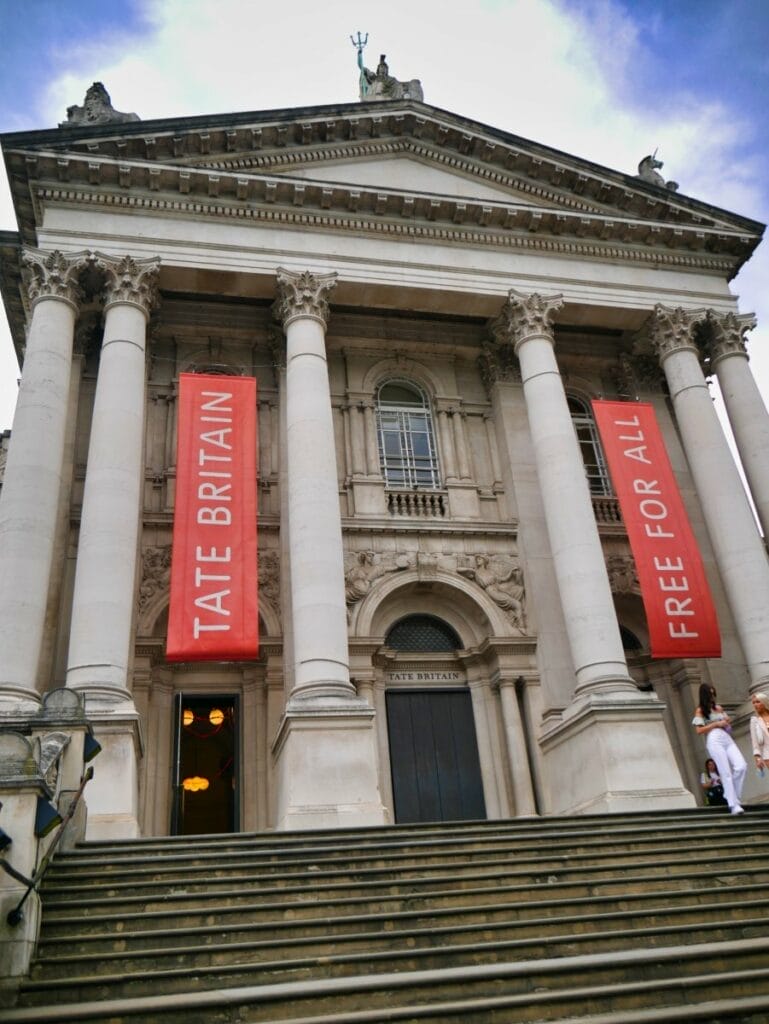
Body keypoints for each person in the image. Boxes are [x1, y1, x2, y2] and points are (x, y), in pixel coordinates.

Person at [692, 683, 747, 815]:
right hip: (713, 739)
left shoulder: (719, 708)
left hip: (726, 737)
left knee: (741, 766)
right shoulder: (700, 711)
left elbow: (727, 723)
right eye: (710, 694)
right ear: (705, 695)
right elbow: (699, 730)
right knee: (725, 772)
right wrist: (716, 723)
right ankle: (733, 805)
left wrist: (726, 721)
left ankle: (733, 796)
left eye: (713, 694)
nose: (712, 697)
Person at [750, 691, 769, 777]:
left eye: (758, 702)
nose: (755, 704)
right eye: (753, 703)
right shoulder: (755, 721)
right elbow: (755, 743)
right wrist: (758, 759)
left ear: (764, 702)